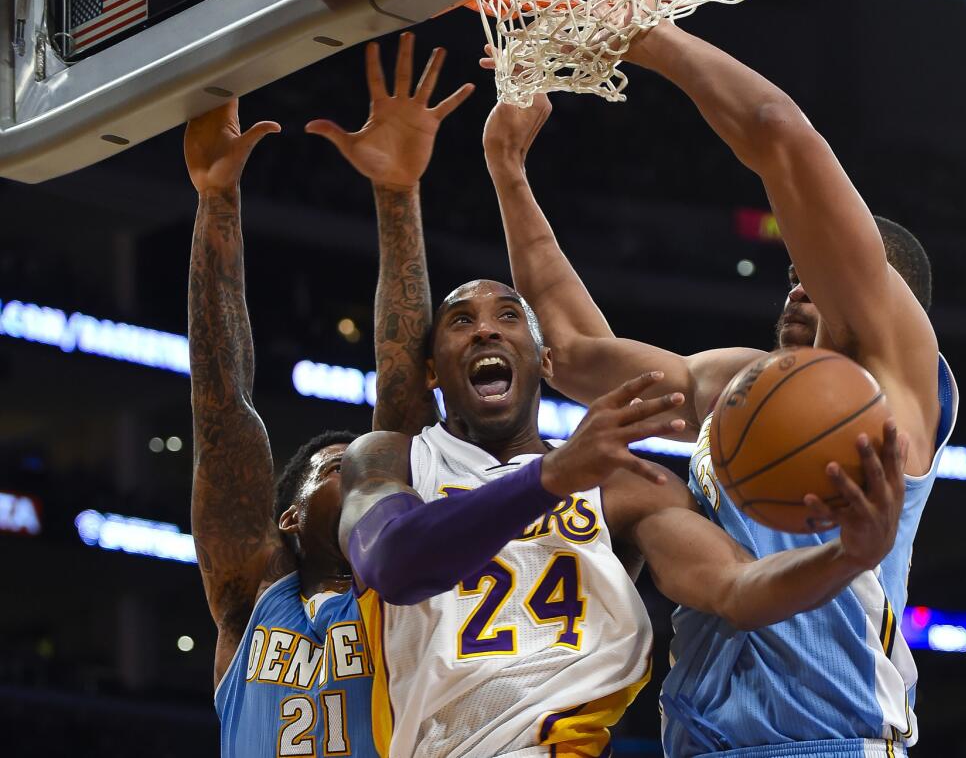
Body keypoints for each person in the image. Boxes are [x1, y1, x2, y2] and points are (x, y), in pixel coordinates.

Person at [481, 0, 959, 756]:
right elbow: (568, 353)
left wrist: (651, 37)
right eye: (795, 273)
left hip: (830, 741)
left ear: (890, 304)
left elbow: (779, 135)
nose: (804, 286)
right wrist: (509, 173)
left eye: (827, 275)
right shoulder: (739, 389)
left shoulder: (895, 389)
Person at [334, 275, 911, 758]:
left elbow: (738, 590)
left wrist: (846, 558)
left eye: (510, 316)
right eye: (462, 321)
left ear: (545, 361)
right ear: (433, 370)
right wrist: (548, 479)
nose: (486, 327)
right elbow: (395, 563)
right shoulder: (392, 458)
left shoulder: (620, 483)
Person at [186, 33, 473, 757]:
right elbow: (222, 399)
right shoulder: (249, 597)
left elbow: (405, 396)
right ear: (286, 516)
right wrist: (216, 201)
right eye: (342, 466)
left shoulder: (399, 592)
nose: (364, 473)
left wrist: (397, 192)